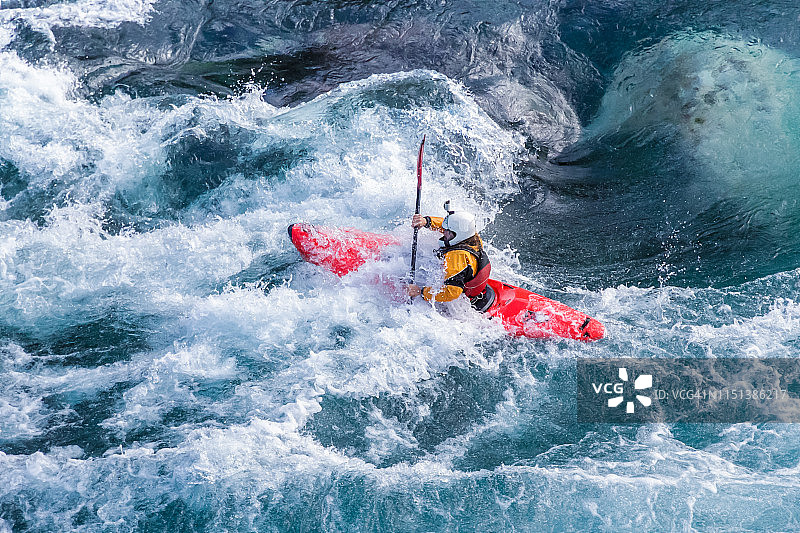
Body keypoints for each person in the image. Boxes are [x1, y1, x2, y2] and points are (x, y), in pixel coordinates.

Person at [407, 201, 495, 312]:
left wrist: (421, 292)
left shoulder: (456, 256)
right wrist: (427, 221)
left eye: (448, 231)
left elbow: (452, 292)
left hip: (462, 303)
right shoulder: (472, 236)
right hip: (476, 289)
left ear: (458, 234)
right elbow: (448, 225)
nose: (444, 232)